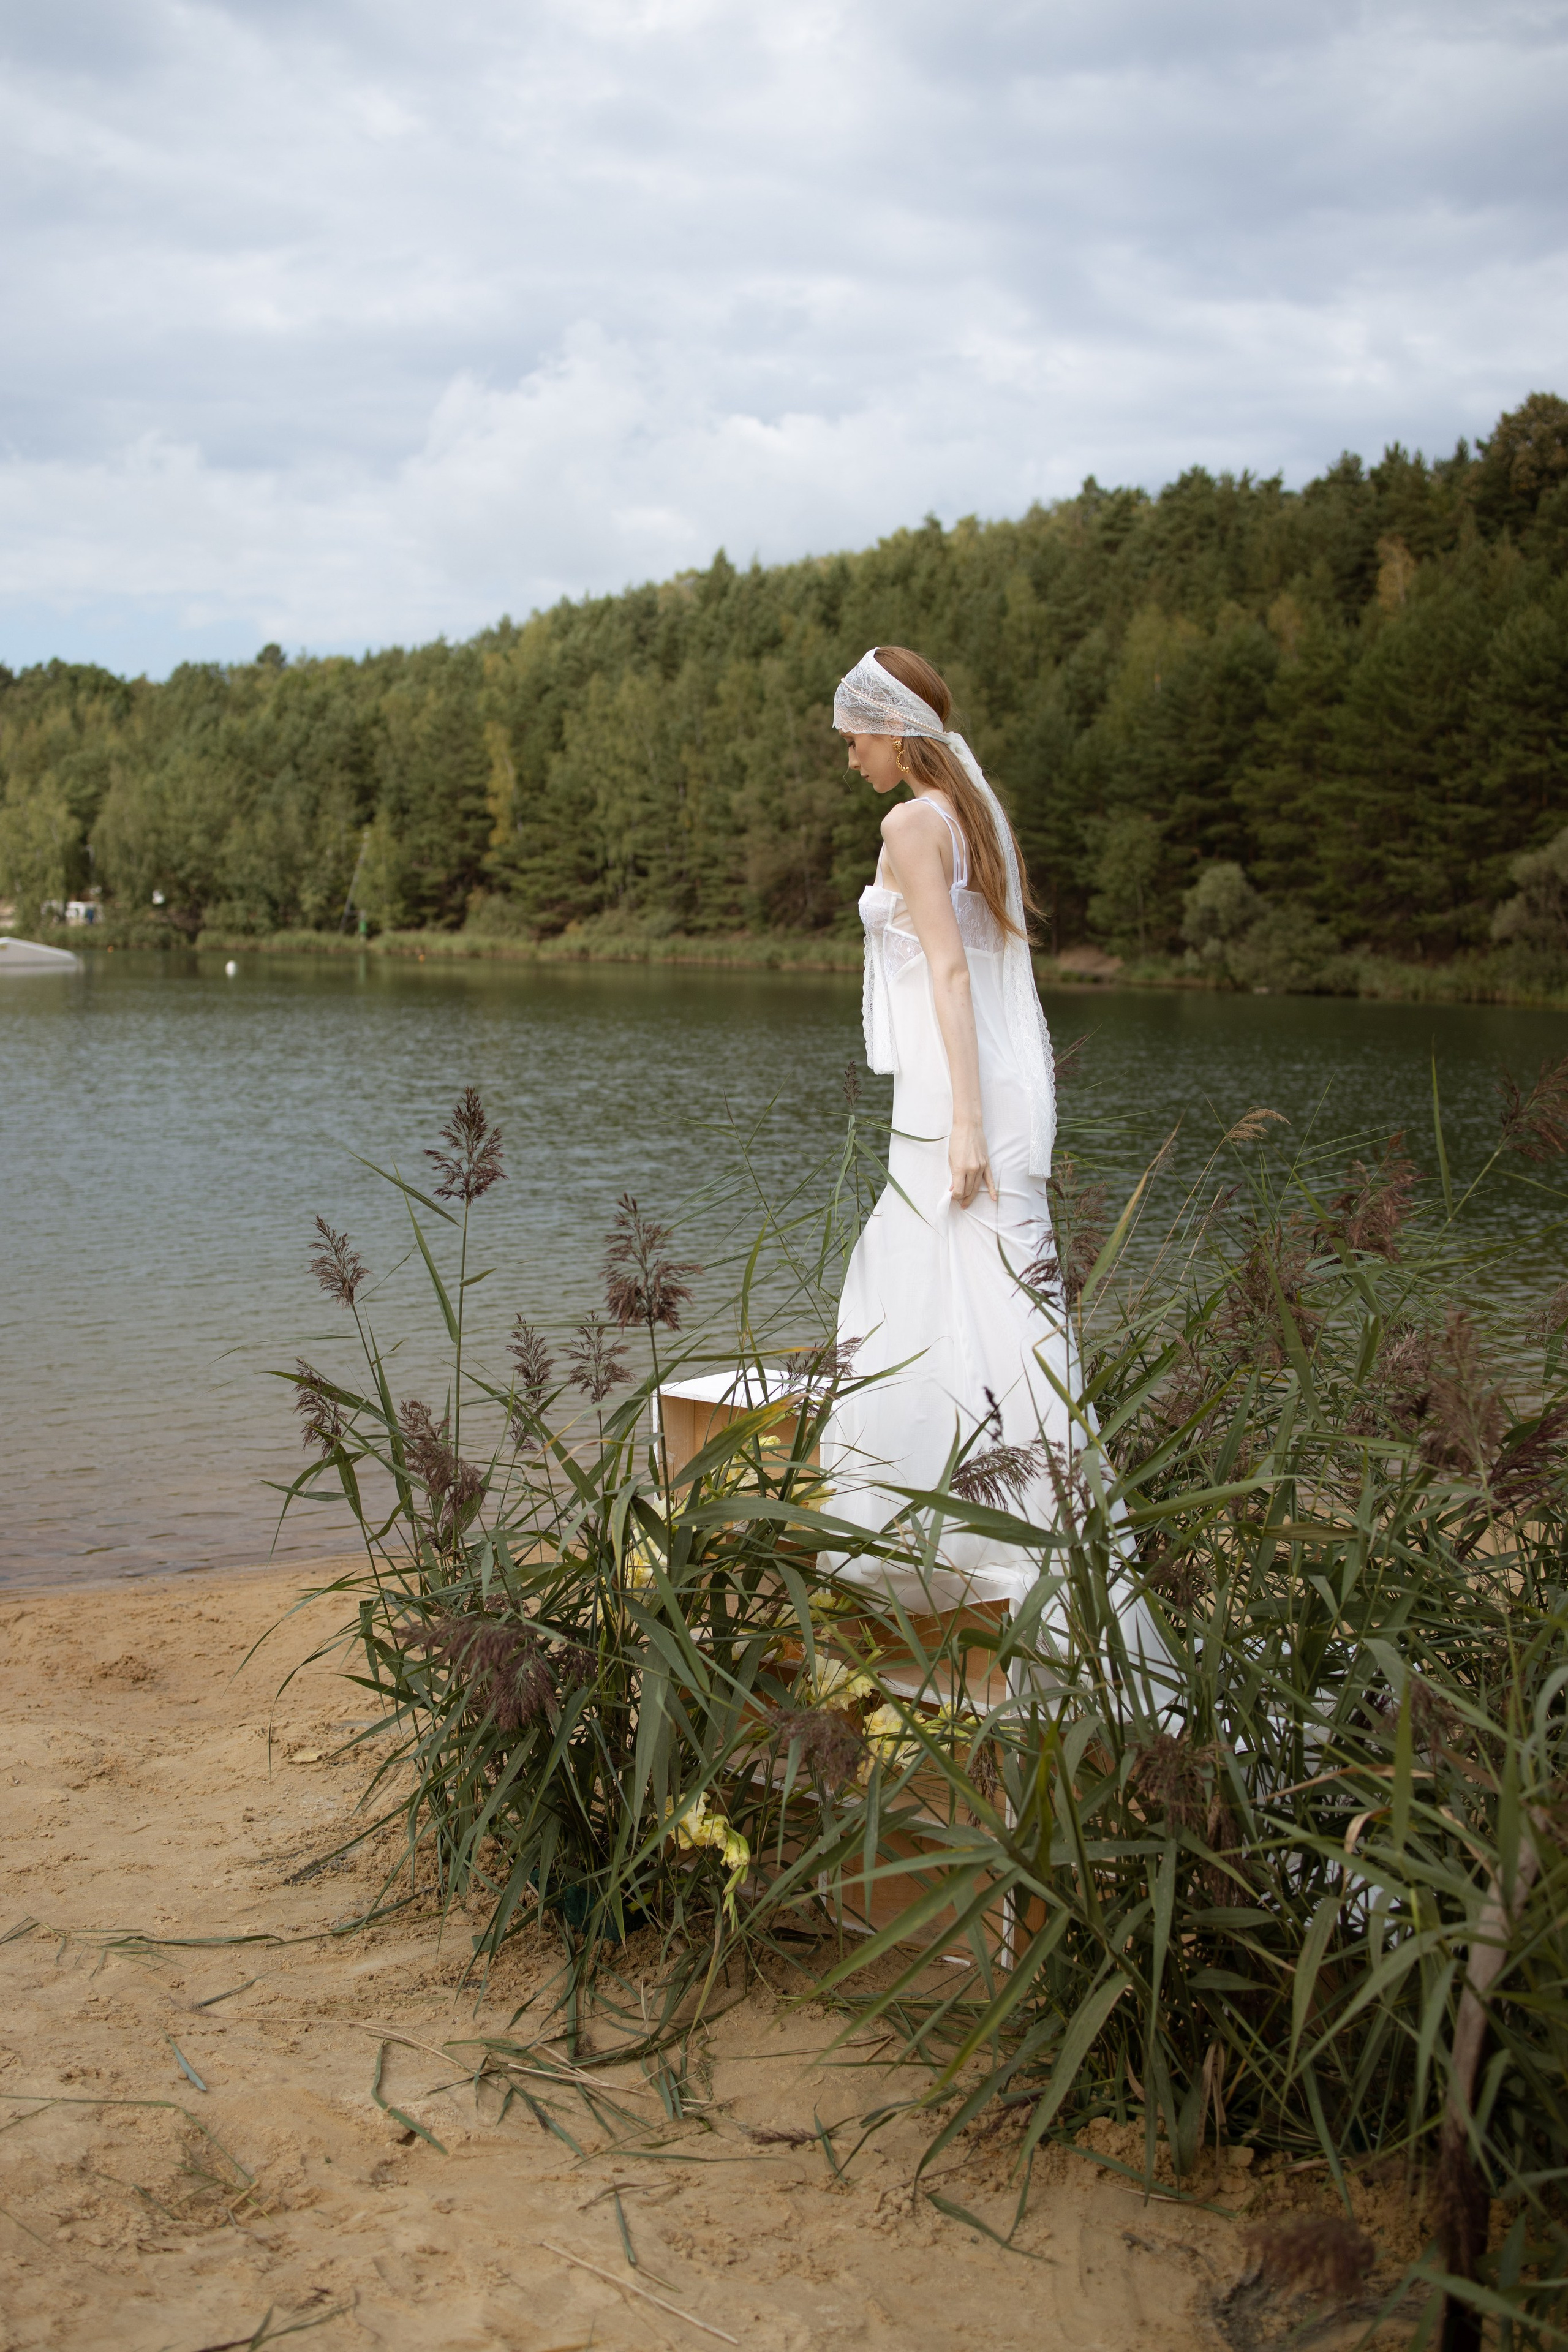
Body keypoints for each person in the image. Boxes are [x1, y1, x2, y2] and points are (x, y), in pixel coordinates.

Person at [821, 646, 1160, 1680]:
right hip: (996, 1085)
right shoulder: (976, 810)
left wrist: (965, 1119)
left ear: (892, 727)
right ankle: (1035, 1564)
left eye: (855, 740)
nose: (850, 761)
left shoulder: (913, 822)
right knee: (1002, 1306)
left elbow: (958, 973)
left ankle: (972, 1564)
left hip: (957, 1092)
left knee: (954, 1296)